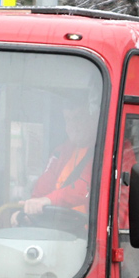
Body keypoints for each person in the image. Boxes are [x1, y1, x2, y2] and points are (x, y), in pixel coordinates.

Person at [15, 91, 99, 224]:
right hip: (62, 229)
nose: (72, 127)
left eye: (78, 118)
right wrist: (30, 210)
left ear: (94, 120)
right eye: (68, 119)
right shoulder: (61, 152)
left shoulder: (111, 151)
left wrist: (47, 201)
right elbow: (43, 185)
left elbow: (86, 188)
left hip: (93, 232)